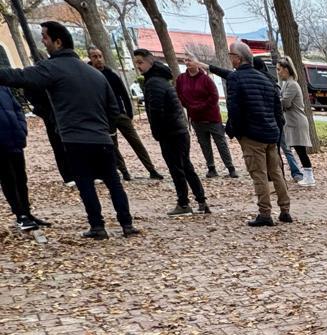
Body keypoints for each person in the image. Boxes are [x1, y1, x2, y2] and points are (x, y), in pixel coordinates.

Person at [0, 21, 137, 239]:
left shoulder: (53, 68)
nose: (42, 42)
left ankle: (97, 226)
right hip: (102, 138)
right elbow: (113, 108)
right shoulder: (95, 74)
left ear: (58, 41)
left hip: (75, 138)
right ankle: (126, 224)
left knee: (85, 183)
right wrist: (106, 130)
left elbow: (20, 77)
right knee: (113, 182)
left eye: (45, 37)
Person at [131, 49, 209, 216]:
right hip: (178, 129)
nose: (138, 66)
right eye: (136, 63)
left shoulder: (153, 83)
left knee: (177, 168)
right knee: (186, 166)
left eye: (140, 62)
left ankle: (184, 203)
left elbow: (156, 110)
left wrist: (157, 131)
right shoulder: (161, 80)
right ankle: (201, 200)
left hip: (171, 131)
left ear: (149, 62)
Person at [222, 40, 292, 227]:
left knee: (259, 174)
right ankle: (285, 210)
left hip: (252, 135)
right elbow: (277, 111)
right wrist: (276, 130)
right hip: (271, 133)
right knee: (276, 173)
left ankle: (265, 213)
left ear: (237, 58)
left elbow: (234, 109)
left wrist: (236, 131)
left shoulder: (235, 79)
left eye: (231, 56)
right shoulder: (266, 79)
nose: (230, 60)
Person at [86, 44, 162, 182]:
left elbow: (123, 94)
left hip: (120, 114)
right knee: (112, 146)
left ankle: (151, 169)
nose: (98, 59)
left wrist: (129, 113)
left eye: (100, 56)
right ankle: (124, 171)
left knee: (136, 142)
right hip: (104, 118)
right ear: (90, 58)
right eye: (95, 57)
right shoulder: (88, 76)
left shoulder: (111, 74)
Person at [176, 53, 237, 178]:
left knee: (221, 143)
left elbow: (214, 96)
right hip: (196, 118)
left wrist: (200, 107)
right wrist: (189, 106)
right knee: (204, 144)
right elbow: (179, 94)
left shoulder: (206, 79)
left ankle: (230, 168)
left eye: (190, 60)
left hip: (212, 117)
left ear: (197, 62)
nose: (188, 62)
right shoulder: (181, 79)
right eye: (186, 60)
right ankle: (211, 167)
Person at [0, 84, 44, 231]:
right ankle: (20, 215)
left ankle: (26, 212)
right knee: (8, 179)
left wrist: (21, 129)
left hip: (14, 140)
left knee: (21, 178)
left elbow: (18, 109)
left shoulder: (3, 88)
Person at [277, 60, 314, 185]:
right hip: (293, 122)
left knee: (301, 150)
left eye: (279, 69)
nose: (278, 72)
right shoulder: (287, 84)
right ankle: (308, 176)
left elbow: (286, 102)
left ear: (286, 69)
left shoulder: (292, 84)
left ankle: (309, 177)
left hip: (297, 122)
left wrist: (276, 100)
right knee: (299, 150)